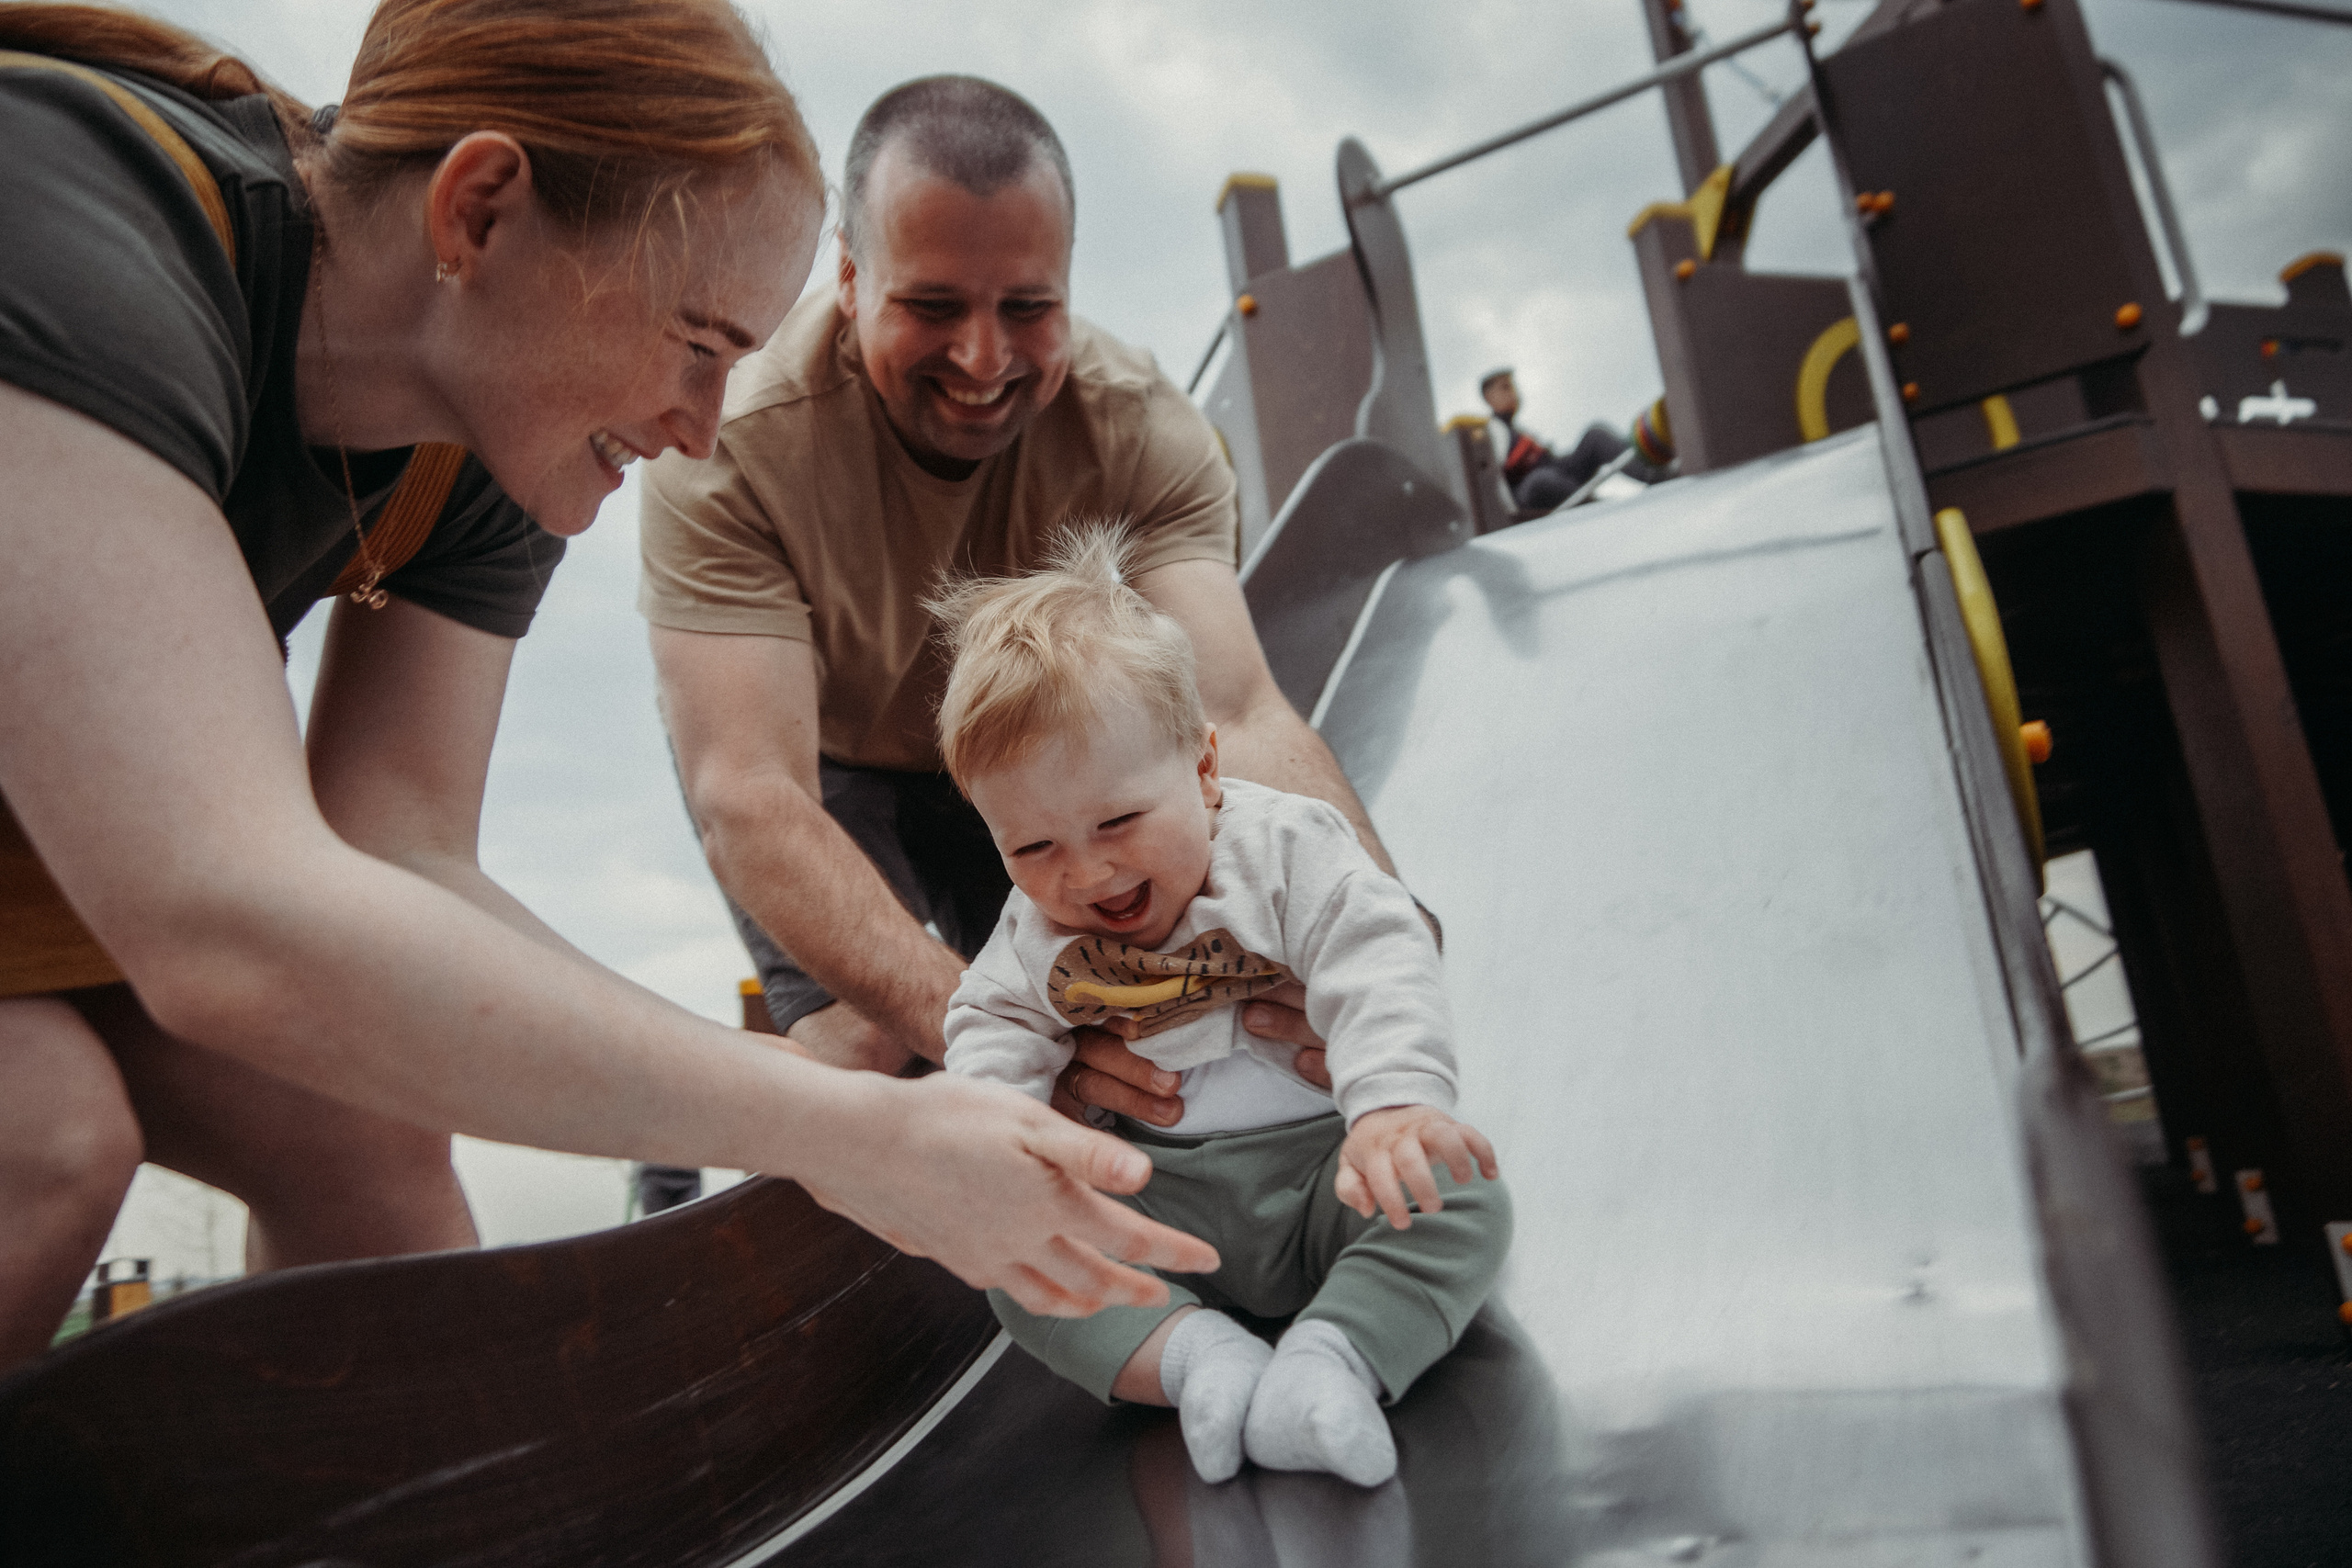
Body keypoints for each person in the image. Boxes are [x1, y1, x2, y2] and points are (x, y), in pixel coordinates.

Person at [0, 1, 1212, 1374]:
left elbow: (397, 852)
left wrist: (760, 1091)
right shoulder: (74, 217)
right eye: (693, 342)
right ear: (481, 211)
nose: (702, 424)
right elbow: (225, 913)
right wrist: (835, 1130)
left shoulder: (481, 431)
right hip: (104, 923)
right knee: (44, 1136)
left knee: (369, 1130)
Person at [641, 75, 1419, 1122]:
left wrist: (1381, 929)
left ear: (1066, 284)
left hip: (1043, 766)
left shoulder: (1138, 428)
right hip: (821, 766)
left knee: (1185, 982)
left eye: (1027, 307)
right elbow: (749, 789)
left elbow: (1229, 715)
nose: (982, 357)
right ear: (849, 278)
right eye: (930, 305)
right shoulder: (735, 441)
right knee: (884, 1041)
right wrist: (997, 1036)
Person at [931, 528, 1510, 1488]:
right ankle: (1203, 1363)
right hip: (1158, 1196)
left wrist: (1392, 1105)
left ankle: (1332, 1362)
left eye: (1117, 820)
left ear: (1203, 772)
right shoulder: (1029, 929)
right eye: (1031, 848)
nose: (1085, 870)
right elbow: (990, 1026)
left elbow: (1377, 952)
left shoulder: (1284, 850)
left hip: (1329, 1175)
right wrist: (1000, 1141)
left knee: (1462, 1195)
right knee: (1023, 1271)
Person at [1480, 367, 1643, 513]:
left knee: (1594, 436)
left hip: (1556, 472)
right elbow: (1494, 476)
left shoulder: (1517, 431)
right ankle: (1603, 508)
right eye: (1505, 388)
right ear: (1489, 398)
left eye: (1513, 386)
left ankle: (1653, 472)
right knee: (1540, 480)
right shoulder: (1490, 432)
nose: (1514, 393)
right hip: (1531, 488)